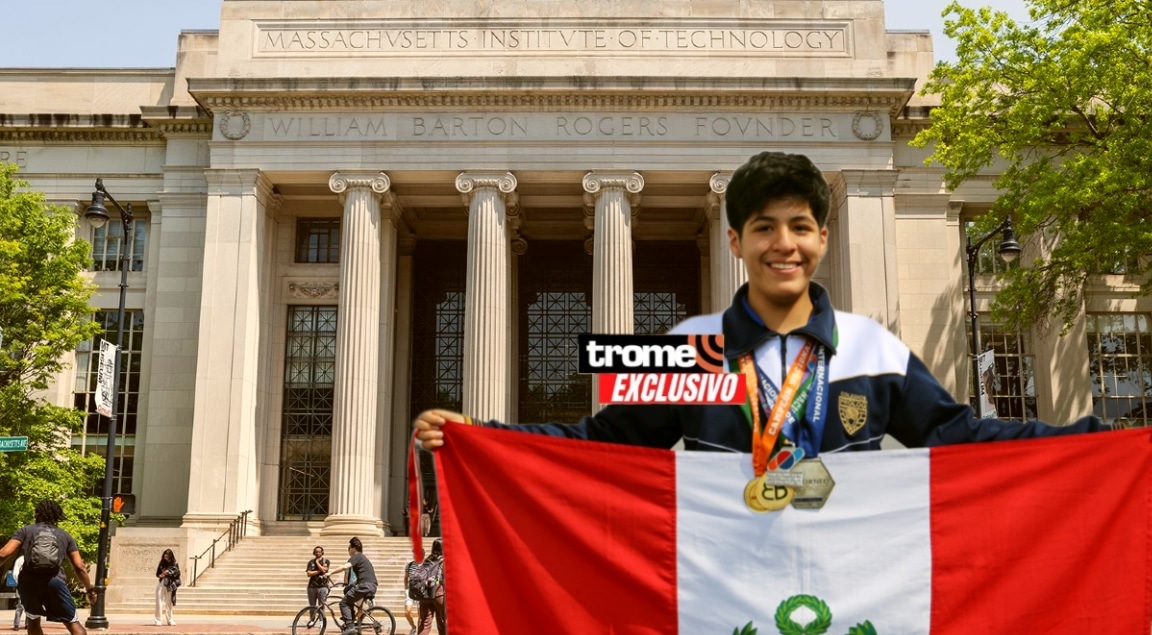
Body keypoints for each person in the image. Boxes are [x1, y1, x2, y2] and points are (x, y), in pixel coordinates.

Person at [414, 151, 1118, 457]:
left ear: (823, 237)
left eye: (801, 227)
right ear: (735, 241)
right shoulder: (689, 350)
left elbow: (960, 440)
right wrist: (486, 435)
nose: (785, 245)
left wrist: (1098, 440)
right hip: (727, 594)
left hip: (851, 589)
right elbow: (606, 445)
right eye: (764, 228)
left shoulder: (871, 348)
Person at [0, 500, 102, 635]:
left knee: (33, 619)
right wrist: (89, 589)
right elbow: (79, 567)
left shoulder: (26, 530)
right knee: (72, 622)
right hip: (55, 582)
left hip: (29, 582)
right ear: (57, 517)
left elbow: (4, 553)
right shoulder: (65, 536)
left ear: (37, 514)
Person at [328, 537, 377, 635]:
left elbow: (345, 567)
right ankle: (351, 617)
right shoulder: (361, 557)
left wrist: (330, 573)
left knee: (343, 603)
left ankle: (350, 626)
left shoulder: (356, 556)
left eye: (349, 547)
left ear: (354, 548)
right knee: (347, 590)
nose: (348, 549)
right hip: (369, 585)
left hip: (365, 585)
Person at [413, 539, 446, 635]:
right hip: (439, 595)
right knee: (442, 621)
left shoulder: (427, 561)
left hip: (425, 595)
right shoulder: (444, 561)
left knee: (425, 620)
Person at [305, 545, 330, 626]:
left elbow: (324, 570)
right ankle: (312, 619)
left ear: (322, 552)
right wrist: (320, 569)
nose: (318, 553)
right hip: (312, 586)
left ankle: (321, 620)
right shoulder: (310, 562)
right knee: (312, 605)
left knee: (321, 605)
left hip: (322, 586)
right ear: (314, 552)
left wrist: (317, 563)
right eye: (316, 552)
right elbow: (309, 573)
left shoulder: (326, 561)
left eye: (319, 551)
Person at [154, 549, 180, 626]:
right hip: (162, 583)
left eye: (167, 555)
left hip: (170, 584)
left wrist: (168, 573)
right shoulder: (162, 563)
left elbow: (177, 573)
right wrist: (161, 575)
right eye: (165, 555)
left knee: (169, 603)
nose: (166, 556)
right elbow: (157, 574)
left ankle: (170, 619)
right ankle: (158, 620)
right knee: (159, 601)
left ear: (170, 556)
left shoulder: (174, 563)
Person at [403, 558, 420, 635]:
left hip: (420, 591)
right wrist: (406, 589)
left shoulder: (426, 565)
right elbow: (406, 578)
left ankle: (418, 632)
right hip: (410, 591)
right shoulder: (409, 565)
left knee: (421, 613)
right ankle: (414, 627)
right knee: (407, 612)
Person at [7, 555, 24, 631]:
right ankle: (17, 624)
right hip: (22, 584)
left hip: (27, 584)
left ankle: (27, 624)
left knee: (29, 606)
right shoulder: (20, 559)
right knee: (21, 606)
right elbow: (15, 573)